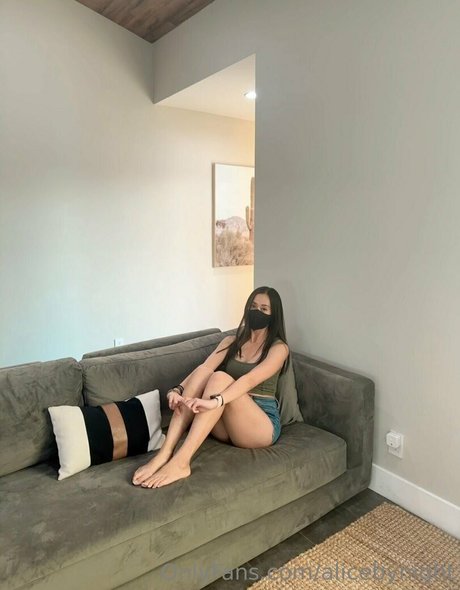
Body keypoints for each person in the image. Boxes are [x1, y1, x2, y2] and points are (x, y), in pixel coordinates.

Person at [132, 286, 290, 489]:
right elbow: (204, 368)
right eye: (253, 306)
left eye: (264, 309)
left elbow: (249, 380)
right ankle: (164, 453)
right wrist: (178, 390)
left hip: (258, 425)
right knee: (207, 372)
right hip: (225, 422)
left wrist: (215, 402)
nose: (256, 311)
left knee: (220, 378)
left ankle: (181, 462)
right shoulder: (231, 341)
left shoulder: (279, 348)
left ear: (273, 315)